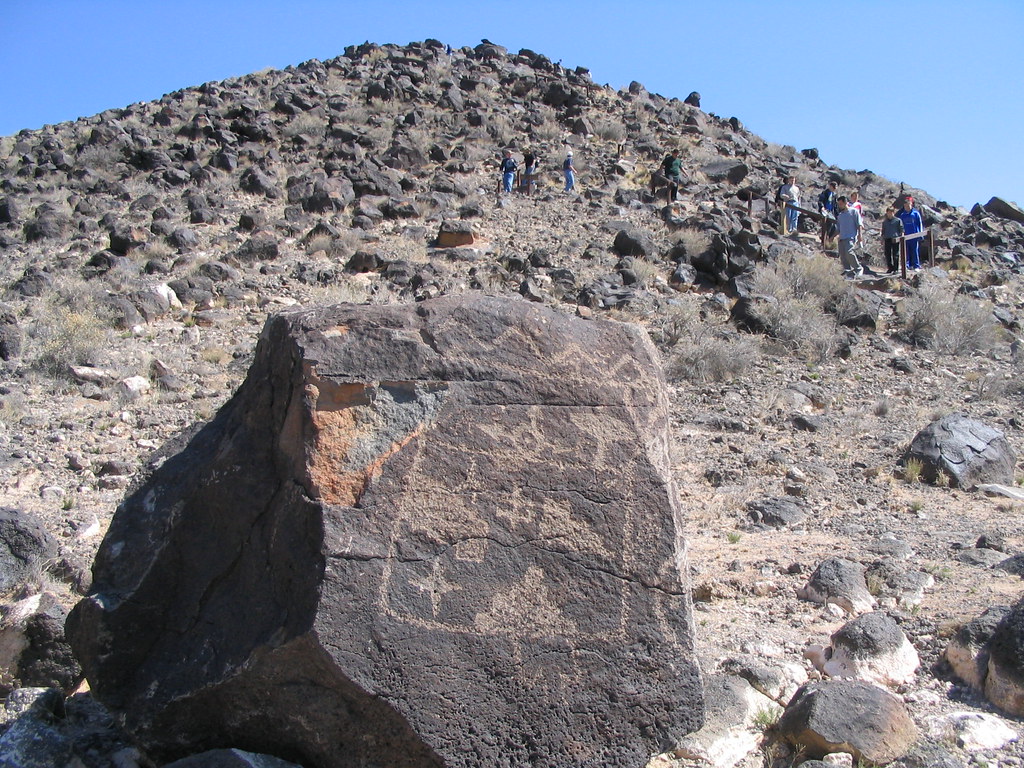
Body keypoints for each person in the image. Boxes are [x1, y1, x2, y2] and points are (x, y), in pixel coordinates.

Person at [835, 195, 863, 278]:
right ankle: (847, 270)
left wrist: (860, 235)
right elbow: (838, 228)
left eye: (840, 204)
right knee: (843, 255)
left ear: (845, 203)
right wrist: (832, 236)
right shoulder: (840, 215)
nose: (839, 206)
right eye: (838, 204)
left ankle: (858, 268)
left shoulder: (854, 211)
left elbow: (859, 224)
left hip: (850, 236)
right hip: (842, 238)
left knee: (849, 252)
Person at [897, 196, 924, 270]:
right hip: (906, 236)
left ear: (911, 204)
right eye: (905, 205)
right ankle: (907, 265)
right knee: (906, 251)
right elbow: (901, 226)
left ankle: (916, 265)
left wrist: (920, 234)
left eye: (908, 204)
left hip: (914, 235)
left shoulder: (915, 214)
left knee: (915, 250)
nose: (906, 206)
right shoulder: (902, 215)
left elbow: (920, 224)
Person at [881, 206, 905, 273]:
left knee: (895, 254)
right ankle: (890, 268)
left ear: (893, 213)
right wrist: (882, 239)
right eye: (888, 213)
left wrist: (902, 236)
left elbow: (902, 229)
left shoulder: (898, 220)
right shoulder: (885, 222)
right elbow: (883, 231)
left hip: (895, 239)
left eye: (891, 212)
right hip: (887, 239)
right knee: (887, 254)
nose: (890, 214)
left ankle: (895, 269)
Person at [817, 180, 838, 245]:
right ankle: (824, 236)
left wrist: (837, 214)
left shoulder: (834, 195)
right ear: (830, 186)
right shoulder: (825, 193)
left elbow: (835, 205)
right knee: (830, 222)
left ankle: (829, 238)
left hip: (831, 212)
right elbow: (820, 201)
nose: (834, 189)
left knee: (835, 226)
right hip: (825, 211)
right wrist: (822, 207)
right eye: (833, 187)